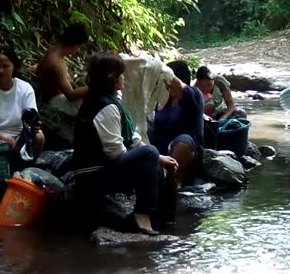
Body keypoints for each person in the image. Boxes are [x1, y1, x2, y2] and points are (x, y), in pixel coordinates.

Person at [73, 52, 179, 235]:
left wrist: (159, 159)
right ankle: (142, 215)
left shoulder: (105, 99)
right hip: (92, 177)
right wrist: (148, 158)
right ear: (111, 78)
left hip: (99, 169)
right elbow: (115, 152)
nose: (124, 78)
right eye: (121, 74)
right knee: (149, 154)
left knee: (155, 159)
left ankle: (161, 220)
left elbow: (132, 138)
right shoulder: (105, 106)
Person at [149, 61, 204, 187]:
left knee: (183, 142)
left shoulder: (194, 94)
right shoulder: (161, 99)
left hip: (187, 150)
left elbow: (179, 86)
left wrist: (158, 69)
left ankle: (174, 183)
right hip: (160, 149)